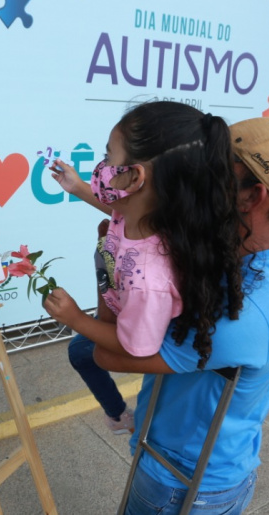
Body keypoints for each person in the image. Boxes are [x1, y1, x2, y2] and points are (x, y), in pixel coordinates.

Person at [48, 116, 269, 514]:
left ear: (253, 196)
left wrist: (108, 265)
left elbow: (109, 353)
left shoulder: (248, 313)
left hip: (183, 487)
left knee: (85, 347)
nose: (191, 183)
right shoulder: (210, 249)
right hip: (169, 460)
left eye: (210, 174)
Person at [47, 101, 245, 435]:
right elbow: (114, 209)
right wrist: (78, 186)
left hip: (130, 321)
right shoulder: (146, 214)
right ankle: (117, 414)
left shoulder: (148, 280)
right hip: (122, 305)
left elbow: (132, 347)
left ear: (136, 177)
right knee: (80, 352)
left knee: (82, 352)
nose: (103, 165)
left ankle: (120, 417)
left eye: (109, 157)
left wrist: (75, 319)